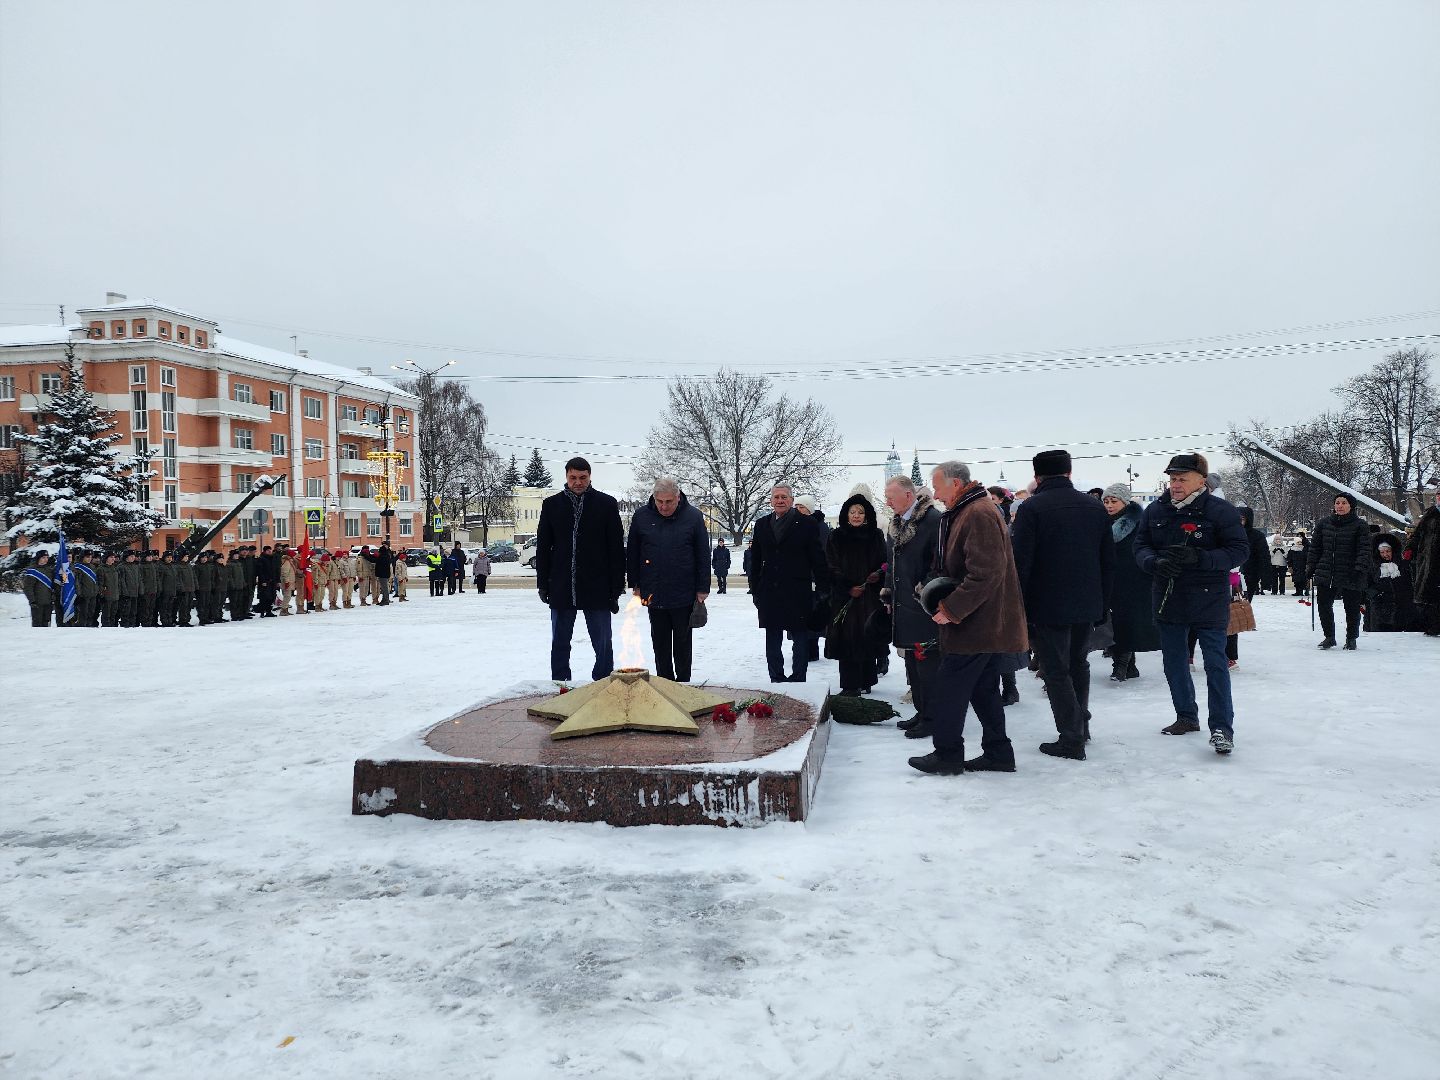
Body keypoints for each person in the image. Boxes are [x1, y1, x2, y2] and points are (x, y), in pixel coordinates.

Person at [911, 460, 1028, 775]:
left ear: (956, 484)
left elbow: (985, 573)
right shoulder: (968, 510)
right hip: (980, 622)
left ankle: (947, 755)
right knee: (983, 689)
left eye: (938, 487)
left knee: (949, 688)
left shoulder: (977, 513)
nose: (936, 495)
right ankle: (998, 753)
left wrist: (951, 609)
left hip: (976, 624)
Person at [1134, 452, 1249, 755]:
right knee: (1175, 663)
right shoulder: (1156, 510)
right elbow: (1140, 546)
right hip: (1168, 598)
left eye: (1182, 479)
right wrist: (1154, 562)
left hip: (1209, 599)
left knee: (1215, 665)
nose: (1175, 484)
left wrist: (1201, 558)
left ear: (1201, 481)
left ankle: (1222, 728)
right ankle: (1186, 716)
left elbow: (1239, 551)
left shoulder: (1220, 511)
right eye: (1173, 479)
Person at [1010, 450, 1115, 760]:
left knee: (1055, 670)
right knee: (1078, 664)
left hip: (1046, 602)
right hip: (1087, 600)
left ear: (1037, 476)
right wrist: (1103, 603)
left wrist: (1019, 606)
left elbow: (1021, 563)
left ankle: (1071, 737)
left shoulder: (1031, 508)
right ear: (1069, 473)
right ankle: (1081, 727)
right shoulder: (1094, 507)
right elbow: (1108, 561)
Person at [536, 456, 626, 682]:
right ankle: (561, 683)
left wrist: (616, 588)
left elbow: (616, 548)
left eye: (582, 477)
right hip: (561, 585)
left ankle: (603, 681)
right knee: (560, 640)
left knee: (602, 641)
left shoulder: (606, 504)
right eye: (573, 477)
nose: (578, 482)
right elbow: (543, 548)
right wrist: (543, 584)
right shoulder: (552, 505)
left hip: (597, 586)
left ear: (590, 476)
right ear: (566, 477)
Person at [627, 476, 710, 682]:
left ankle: (683, 683)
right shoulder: (641, 516)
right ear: (654, 498)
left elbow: (702, 554)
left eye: (669, 501)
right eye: (660, 501)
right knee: (660, 642)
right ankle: (664, 682)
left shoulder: (693, 516)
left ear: (678, 497)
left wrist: (702, 587)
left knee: (683, 642)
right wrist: (635, 583)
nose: (664, 507)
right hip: (653, 591)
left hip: (684, 592)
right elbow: (633, 552)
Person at [883, 476, 945, 734]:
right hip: (903, 604)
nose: (887, 502)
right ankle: (922, 712)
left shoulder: (932, 520)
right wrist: (888, 592)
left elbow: (940, 563)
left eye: (891, 497)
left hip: (924, 606)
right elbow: (891, 562)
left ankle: (933, 719)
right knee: (912, 662)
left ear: (908, 496)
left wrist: (924, 590)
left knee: (927, 664)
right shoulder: (897, 522)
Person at [749, 483, 828, 683]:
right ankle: (776, 677)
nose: (780, 501)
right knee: (772, 637)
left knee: (800, 636)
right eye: (776, 497)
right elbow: (755, 560)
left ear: (792, 500)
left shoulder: (807, 524)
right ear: (771, 501)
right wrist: (755, 588)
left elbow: (818, 559)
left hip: (797, 590)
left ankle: (798, 678)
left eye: (784, 497)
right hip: (770, 591)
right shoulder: (762, 524)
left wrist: (823, 589)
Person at [823, 493, 888, 695]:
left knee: (867, 638)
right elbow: (830, 565)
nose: (856, 516)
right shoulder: (836, 536)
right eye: (853, 512)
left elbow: (885, 561)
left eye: (860, 512)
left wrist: (878, 575)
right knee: (848, 640)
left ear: (867, 515)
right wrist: (847, 586)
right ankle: (850, 685)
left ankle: (867, 680)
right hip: (845, 599)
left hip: (869, 597)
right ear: (846, 514)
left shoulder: (875, 535)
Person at [1101, 484, 1160, 682]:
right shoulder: (1103, 522)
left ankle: (1122, 665)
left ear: (1125, 502)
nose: (1109, 505)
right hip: (1112, 579)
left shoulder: (1138, 522)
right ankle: (1128, 665)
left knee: (1128, 622)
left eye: (1114, 501)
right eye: (1106, 501)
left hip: (1135, 579)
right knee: (1115, 622)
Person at [1307, 494, 1372, 650]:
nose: (1340, 506)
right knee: (1324, 605)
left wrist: (1359, 568)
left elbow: (1364, 549)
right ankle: (1329, 637)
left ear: (1351, 506)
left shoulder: (1360, 525)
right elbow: (1315, 548)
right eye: (1337, 503)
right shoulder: (1324, 524)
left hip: (1351, 572)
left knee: (1352, 607)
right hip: (1326, 571)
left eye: (1344, 503)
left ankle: (1351, 638)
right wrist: (1310, 567)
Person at [1367, 534, 1415, 633]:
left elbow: (1409, 583)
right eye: (1382, 552)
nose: (1385, 554)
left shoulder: (1402, 565)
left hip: (1402, 609)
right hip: (1380, 609)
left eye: (1388, 551)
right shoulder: (1373, 567)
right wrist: (1376, 595)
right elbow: (1367, 584)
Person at [1237, 507, 1269, 601]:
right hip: (1230, 575)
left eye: (1242, 519)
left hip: (1249, 575)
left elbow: (1264, 557)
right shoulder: (1227, 534)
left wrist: (1265, 579)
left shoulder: (1257, 536)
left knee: (1244, 603)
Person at [21, 551, 56, 627]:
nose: (46, 559)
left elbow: (53, 586)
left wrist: (53, 599)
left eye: (47, 557)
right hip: (37, 603)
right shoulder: (32, 571)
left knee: (47, 626)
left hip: (48, 603)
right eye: (43, 557)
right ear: (38, 558)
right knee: (37, 626)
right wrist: (32, 601)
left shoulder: (49, 570)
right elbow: (28, 588)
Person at [72, 549, 99, 627]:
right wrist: (79, 595)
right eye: (87, 557)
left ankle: (88, 629)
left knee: (91, 614)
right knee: (83, 614)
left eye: (90, 557)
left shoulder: (93, 567)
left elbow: (95, 581)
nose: (89, 558)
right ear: (82, 557)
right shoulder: (77, 567)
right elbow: (77, 582)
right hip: (83, 595)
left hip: (93, 594)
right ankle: (81, 629)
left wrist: (96, 591)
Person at [173, 551, 196, 626]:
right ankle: (182, 620)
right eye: (185, 556)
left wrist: (195, 587)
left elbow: (193, 577)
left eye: (187, 556)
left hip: (190, 589)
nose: (186, 558)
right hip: (183, 590)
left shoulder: (189, 565)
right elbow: (177, 579)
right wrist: (180, 588)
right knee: (183, 606)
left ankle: (187, 619)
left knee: (189, 605)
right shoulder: (177, 566)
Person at [100, 551, 121, 627]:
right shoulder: (101, 569)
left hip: (115, 596)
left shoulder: (115, 568)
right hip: (107, 596)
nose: (113, 559)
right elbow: (100, 583)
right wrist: (102, 595)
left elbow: (118, 582)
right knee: (106, 616)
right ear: (106, 558)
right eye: (111, 557)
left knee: (113, 616)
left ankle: (112, 630)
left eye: (114, 557)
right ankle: (106, 629)